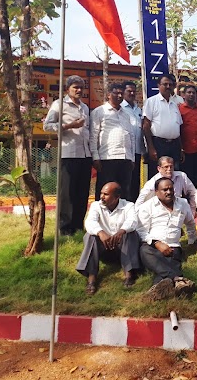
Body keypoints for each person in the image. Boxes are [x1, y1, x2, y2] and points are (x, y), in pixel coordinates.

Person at [43, 75, 92, 235]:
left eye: (81, 87)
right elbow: (47, 126)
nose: (79, 90)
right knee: (67, 193)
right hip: (68, 154)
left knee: (82, 192)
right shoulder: (59, 105)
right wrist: (69, 125)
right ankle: (64, 228)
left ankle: (78, 225)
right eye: (75, 87)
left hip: (85, 155)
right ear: (67, 89)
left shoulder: (84, 107)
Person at [136, 177, 197, 300]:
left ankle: (157, 292)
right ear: (156, 191)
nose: (168, 192)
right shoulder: (147, 206)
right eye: (164, 190)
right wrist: (157, 243)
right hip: (152, 248)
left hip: (173, 248)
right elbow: (141, 231)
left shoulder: (183, 204)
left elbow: (191, 224)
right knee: (144, 250)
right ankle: (178, 279)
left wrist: (192, 242)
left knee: (165, 269)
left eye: (171, 189)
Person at [76, 182, 140, 295]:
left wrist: (121, 231)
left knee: (131, 233)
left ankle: (129, 275)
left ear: (117, 197)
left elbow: (133, 221)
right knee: (90, 236)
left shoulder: (128, 206)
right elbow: (90, 222)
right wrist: (100, 233)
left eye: (106, 194)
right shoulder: (96, 205)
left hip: (122, 249)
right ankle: (91, 278)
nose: (102, 197)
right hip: (103, 248)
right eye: (101, 193)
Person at [90, 82, 136, 201]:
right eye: (116, 93)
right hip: (107, 158)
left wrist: (132, 158)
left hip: (125, 159)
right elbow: (93, 136)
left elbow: (131, 136)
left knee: (124, 193)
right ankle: (102, 218)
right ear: (108, 95)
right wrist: (95, 157)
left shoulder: (126, 114)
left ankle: (121, 218)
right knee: (105, 192)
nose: (119, 96)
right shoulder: (99, 112)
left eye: (121, 93)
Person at [143, 73, 183, 179]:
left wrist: (181, 149)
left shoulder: (175, 104)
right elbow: (146, 126)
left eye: (170, 84)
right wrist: (151, 148)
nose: (168, 87)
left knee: (174, 175)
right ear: (158, 85)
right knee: (157, 176)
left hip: (174, 145)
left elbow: (178, 127)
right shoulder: (151, 101)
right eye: (165, 84)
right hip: (158, 144)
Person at [121, 80, 146, 202]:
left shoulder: (138, 110)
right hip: (124, 152)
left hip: (136, 152)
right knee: (124, 183)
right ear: (123, 92)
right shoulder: (120, 108)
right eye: (128, 91)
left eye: (133, 91)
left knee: (134, 183)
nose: (131, 93)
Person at [179, 84, 197, 186]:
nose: (191, 95)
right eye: (189, 92)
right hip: (186, 151)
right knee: (187, 178)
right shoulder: (179, 109)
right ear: (183, 95)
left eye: (193, 93)